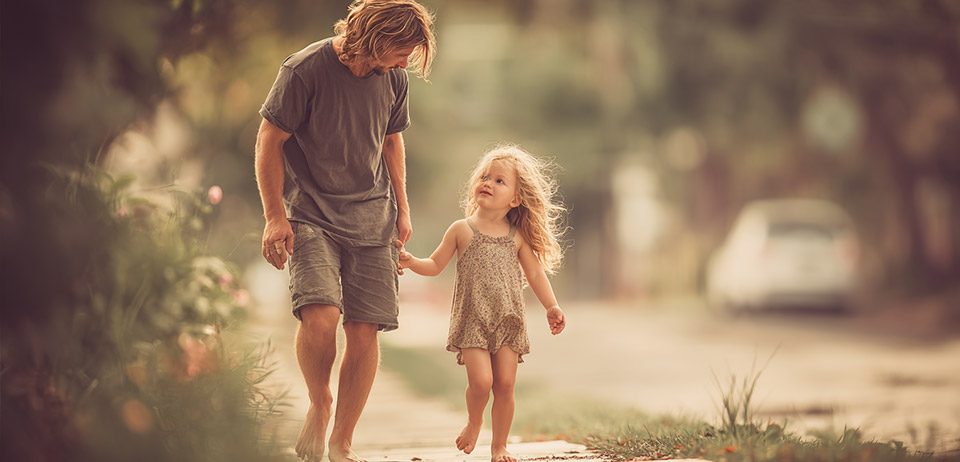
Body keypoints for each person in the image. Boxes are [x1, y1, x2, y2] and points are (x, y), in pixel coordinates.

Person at [253, 1, 435, 461]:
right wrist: (274, 216)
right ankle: (320, 402)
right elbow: (269, 139)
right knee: (320, 316)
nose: (406, 63)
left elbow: (392, 141)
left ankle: (343, 440)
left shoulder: (393, 79)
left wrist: (404, 209)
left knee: (365, 327)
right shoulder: (304, 70)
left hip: (374, 217)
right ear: (378, 38)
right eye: (402, 52)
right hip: (311, 212)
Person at [397, 145, 567, 462]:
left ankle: (499, 446)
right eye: (485, 177)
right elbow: (434, 265)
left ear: (515, 199)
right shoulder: (461, 229)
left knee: (505, 385)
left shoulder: (516, 236)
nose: (488, 183)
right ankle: (475, 421)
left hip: (508, 320)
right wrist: (411, 261)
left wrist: (551, 306)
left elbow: (535, 273)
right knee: (481, 382)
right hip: (472, 318)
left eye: (499, 181)